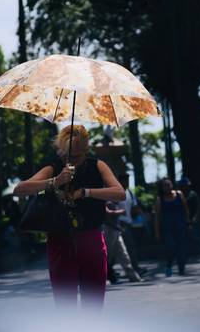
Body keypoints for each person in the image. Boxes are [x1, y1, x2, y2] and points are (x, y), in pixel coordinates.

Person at [13, 125, 125, 310]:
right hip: (60, 241)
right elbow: (20, 189)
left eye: (78, 155)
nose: (73, 160)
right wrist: (55, 181)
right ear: (62, 150)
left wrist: (86, 192)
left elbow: (120, 193)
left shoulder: (97, 165)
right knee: (65, 308)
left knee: (94, 306)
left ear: (86, 150)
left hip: (92, 240)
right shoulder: (54, 166)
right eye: (69, 155)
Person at [154, 178, 190, 277]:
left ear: (172, 185)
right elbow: (157, 217)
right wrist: (157, 232)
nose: (167, 187)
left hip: (180, 226)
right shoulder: (160, 200)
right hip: (168, 228)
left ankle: (181, 269)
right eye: (165, 185)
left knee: (181, 248)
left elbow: (186, 209)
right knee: (171, 247)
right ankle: (169, 265)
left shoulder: (179, 194)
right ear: (162, 188)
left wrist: (188, 222)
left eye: (169, 184)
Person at [114, 172, 147, 275]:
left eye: (128, 180)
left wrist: (141, 216)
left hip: (128, 223)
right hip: (119, 223)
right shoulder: (116, 193)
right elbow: (111, 207)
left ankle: (110, 271)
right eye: (124, 180)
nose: (127, 182)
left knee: (118, 249)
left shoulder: (129, 193)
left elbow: (134, 207)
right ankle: (135, 268)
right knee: (128, 247)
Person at [103, 201, 142, 283]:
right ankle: (108, 277)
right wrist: (120, 213)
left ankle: (133, 277)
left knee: (123, 254)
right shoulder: (109, 203)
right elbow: (107, 219)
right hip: (110, 231)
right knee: (107, 257)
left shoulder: (114, 204)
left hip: (116, 232)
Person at [177, 177, 200, 259]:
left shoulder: (193, 194)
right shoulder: (179, 195)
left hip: (193, 218)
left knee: (195, 236)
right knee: (184, 237)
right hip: (183, 219)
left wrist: (195, 217)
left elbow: (198, 207)